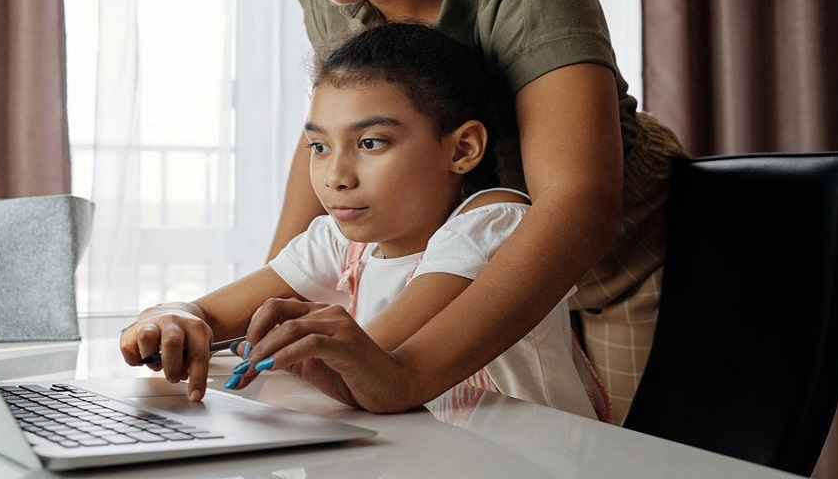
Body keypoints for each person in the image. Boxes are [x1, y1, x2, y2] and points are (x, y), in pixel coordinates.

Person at [210, 0, 687, 422]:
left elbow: (579, 205)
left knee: (615, 461)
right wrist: (273, 310)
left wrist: (403, 372)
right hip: (465, 264)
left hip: (613, 263)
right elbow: (327, 137)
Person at [120, 23, 602, 419]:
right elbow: (208, 312)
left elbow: (373, 363)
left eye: (371, 143)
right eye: (319, 146)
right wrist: (172, 319)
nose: (335, 177)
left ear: (462, 149)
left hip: (535, 461)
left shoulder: (493, 224)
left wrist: (266, 343)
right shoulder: (341, 241)